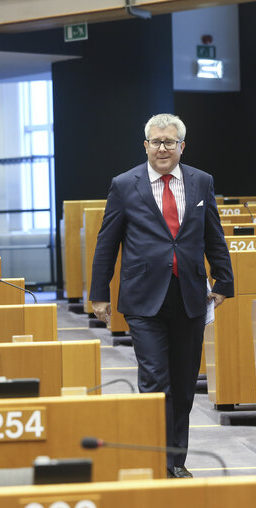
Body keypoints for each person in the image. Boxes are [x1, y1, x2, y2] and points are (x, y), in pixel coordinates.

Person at [89, 113, 234, 479]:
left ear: (182, 146)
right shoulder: (124, 185)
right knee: (155, 382)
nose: (163, 148)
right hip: (143, 298)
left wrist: (224, 281)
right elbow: (107, 243)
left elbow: (213, 234)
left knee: (184, 385)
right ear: (146, 146)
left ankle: (176, 460)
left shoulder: (201, 182)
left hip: (189, 296)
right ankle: (160, 460)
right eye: (156, 142)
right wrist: (99, 293)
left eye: (170, 142)